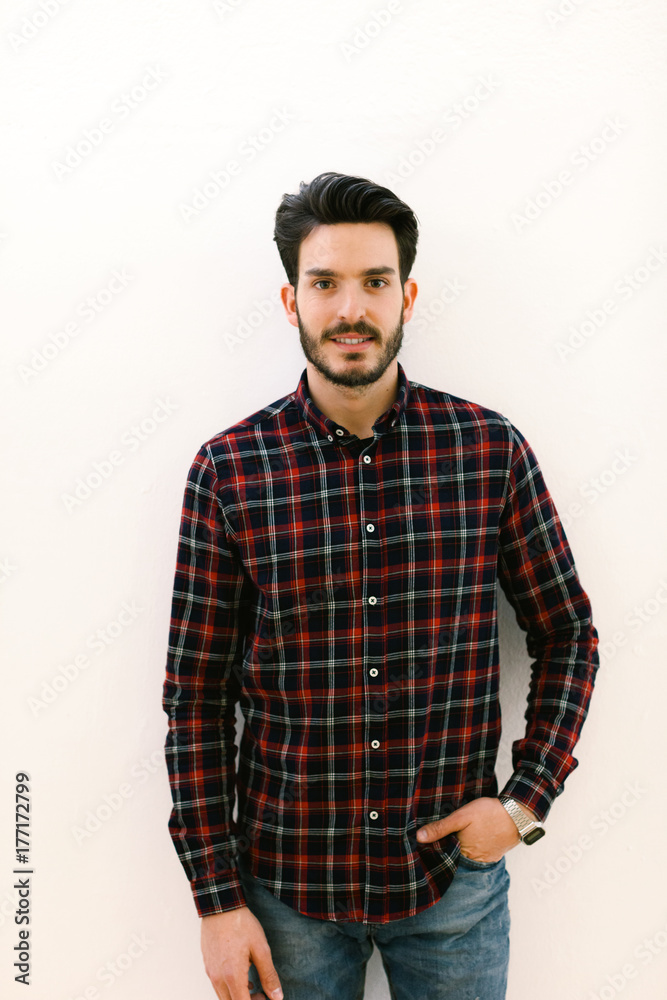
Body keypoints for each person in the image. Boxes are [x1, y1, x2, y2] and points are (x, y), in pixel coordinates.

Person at [162, 171, 599, 1000]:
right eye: (324, 283)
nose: (350, 308)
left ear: (407, 296)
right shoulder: (229, 471)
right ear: (291, 301)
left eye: (374, 281)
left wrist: (523, 803)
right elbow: (195, 698)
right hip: (284, 894)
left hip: (452, 889)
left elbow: (567, 634)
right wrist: (216, 900)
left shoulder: (488, 451)